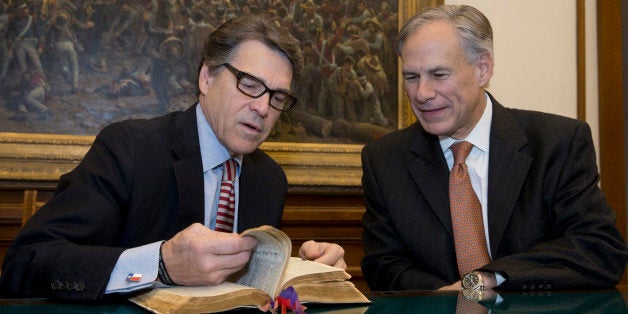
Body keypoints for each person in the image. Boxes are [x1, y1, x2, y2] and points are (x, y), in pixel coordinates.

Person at [0, 14, 345, 301]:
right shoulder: (130, 147)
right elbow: (26, 263)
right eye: (250, 84)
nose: (263, 108)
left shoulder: (269, 179)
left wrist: (302, 271)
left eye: (278, 96)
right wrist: (160, 264)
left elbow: (244, 288)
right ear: (207, 77)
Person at [360, 4, 628, 292]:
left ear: (482, 70)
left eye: (439, 75)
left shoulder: (557, 142)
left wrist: (485, 280)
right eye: (412, 77)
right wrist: (446, 299)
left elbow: (598, 250)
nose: (422, 93)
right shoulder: (385, 159)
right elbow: (383, 266)